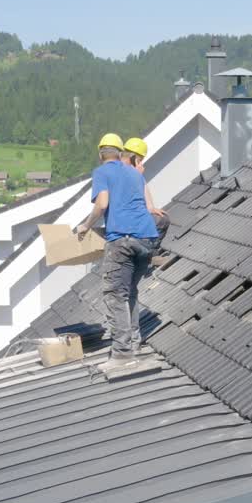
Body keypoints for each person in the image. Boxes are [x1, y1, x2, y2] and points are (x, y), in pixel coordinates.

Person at [73, 133, 160, 368]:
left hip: (123, 240)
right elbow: (144, 203)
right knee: (129, 292)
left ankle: (122, 353)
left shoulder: (102, 172)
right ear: (120, 153)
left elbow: (102, 204)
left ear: (100, 154)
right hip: (147, 238)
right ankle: (134, 344)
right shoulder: (134, 172)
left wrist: (85, 226)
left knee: (114, 295)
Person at [122, 137, 169, 247]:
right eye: (140, 160)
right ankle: (144, 251)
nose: (140, 163)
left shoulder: (133, 171)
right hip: (124, 218)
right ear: (134, 158)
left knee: (162, 219)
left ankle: (149, 250)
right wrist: (136, 176)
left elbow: (143, 186)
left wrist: (151, 207)